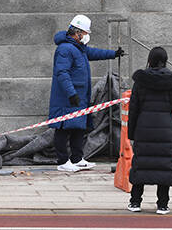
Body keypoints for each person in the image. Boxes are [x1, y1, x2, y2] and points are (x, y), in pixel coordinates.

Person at [49, 15, 124, 172]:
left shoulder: (77, 48)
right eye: (84, 32)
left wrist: (113, 54)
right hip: (68, 98)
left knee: (78, 127)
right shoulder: (65, 49)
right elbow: (62, 73)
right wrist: (71, 94)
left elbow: (94, 53)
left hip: (79, 97)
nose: (86, 36)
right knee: (63, 128)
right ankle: (63, 162)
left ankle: (77, 159)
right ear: (77, 33)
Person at [127, 47, 172, 215]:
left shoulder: (140, 81)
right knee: (164, 166)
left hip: (144, 129)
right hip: (166, 130)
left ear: (150, 60)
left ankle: (135, 201)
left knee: (141, 164)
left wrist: (131, 134)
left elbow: (133, 109)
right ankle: (162, 204)